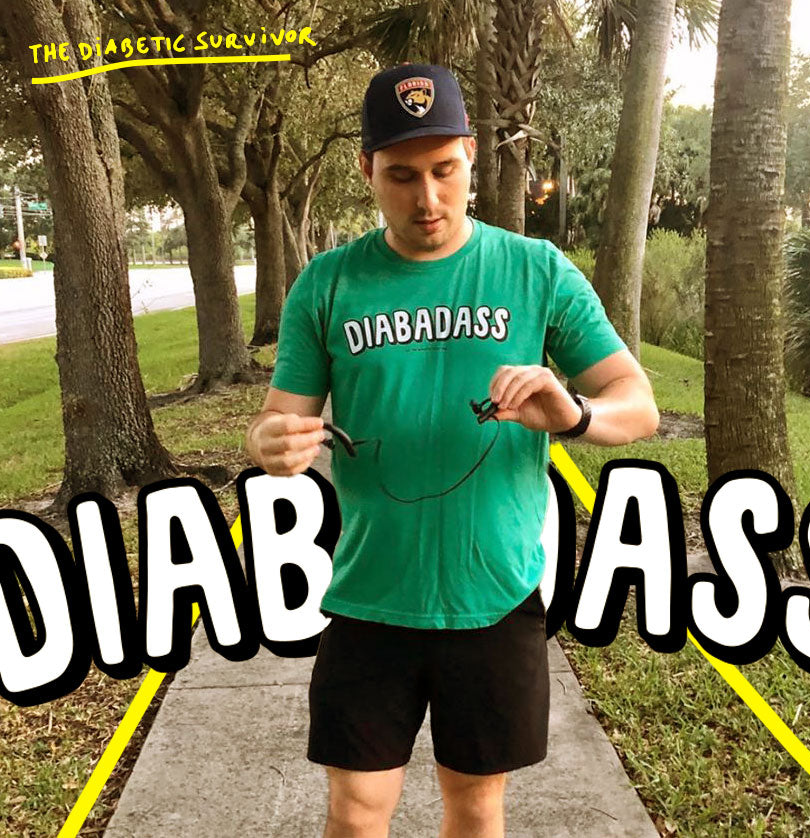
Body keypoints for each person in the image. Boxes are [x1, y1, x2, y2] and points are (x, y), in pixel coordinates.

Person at [246, 63, 659, 838]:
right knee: (356, 812)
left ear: (471, 154)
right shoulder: (328, 284)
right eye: (401, 176)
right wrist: (270, 442)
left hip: (493, 597)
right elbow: (276, 420)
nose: (428, 198)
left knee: (475, 806)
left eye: (444, 170)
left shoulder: (537, 271)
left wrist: (572, 414)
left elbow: (637, 405)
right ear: (366, 169)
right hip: (370, 596)